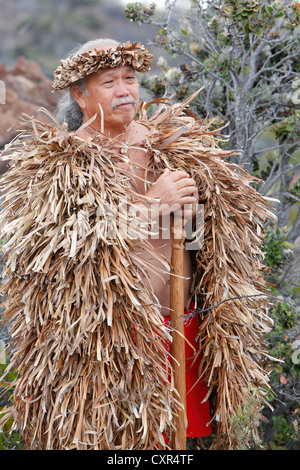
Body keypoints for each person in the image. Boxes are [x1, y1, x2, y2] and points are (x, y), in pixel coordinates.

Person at [0, 39, 274, 450]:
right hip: (109, 348)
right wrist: (152, 206)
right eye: (109, 81)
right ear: (79, 93)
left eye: (129, 79)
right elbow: (61, 250)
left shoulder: (170, 145)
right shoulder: (60, 162)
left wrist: (208, 207)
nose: (125, 91)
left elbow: (224, 231)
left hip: (184, 329)